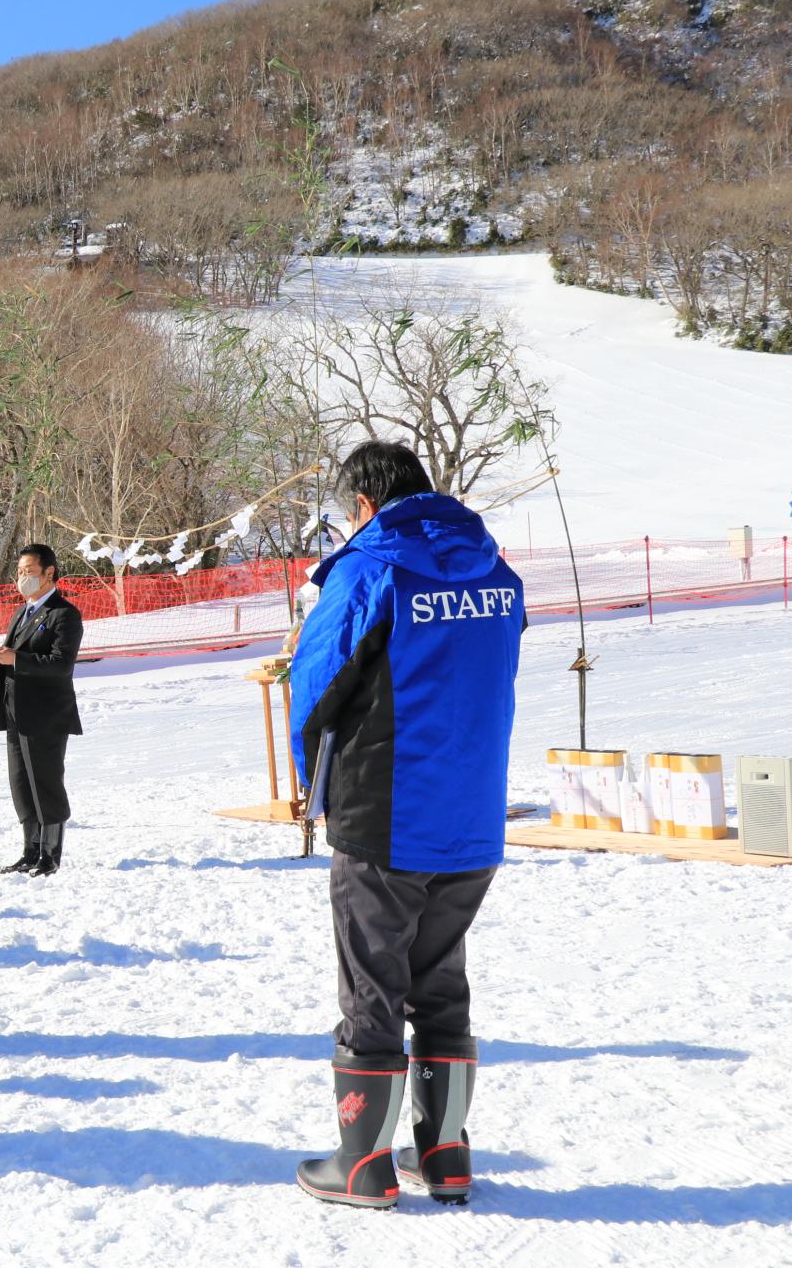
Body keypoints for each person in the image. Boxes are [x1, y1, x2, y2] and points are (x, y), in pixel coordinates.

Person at [287, 441, 524, 1209]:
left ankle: (362, 1163)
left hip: (384, 811)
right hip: (472, 808)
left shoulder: (369, 568)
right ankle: (445, 1156)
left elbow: (315, 688)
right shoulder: (494, 568)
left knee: (371, 986)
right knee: (440, 980)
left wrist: (309, 782)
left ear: (361, 505)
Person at [0, 543, 84, 876]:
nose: (23, 578)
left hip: (46, 714)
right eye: (20, 572)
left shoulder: (64, 614)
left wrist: (17, 659)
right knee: (21, 783)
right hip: (14, 711)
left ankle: (50, 854)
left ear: (49, 573)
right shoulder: (20, 612)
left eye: (30, 572)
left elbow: (61, 664)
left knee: (45, 781)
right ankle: (30, 850)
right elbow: (12, 657)